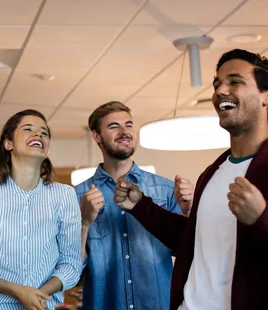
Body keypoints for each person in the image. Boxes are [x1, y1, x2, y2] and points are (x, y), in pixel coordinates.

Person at [114, 49, 268, 310]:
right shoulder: (212, 173)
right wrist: (141, 206)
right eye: (217, 84)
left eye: (235, 81)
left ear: (265, 96)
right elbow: (193, 240)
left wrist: (261, 219)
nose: (220, 90)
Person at [0, 109, 82, 310]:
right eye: (28, 129)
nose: (38, 135)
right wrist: (18, 291)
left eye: (44, 132)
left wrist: (38, 295)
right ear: (9, 144)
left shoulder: (64, 195)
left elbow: (71, 265)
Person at [75, 101, 193, 310]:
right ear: (96, 136)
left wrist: (188, 212)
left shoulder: (165, 190)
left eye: (129, 125)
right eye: (114, 126)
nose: (124, 132)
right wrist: (84, 222)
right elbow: (72, 270)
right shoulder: (77, 196)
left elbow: (187, 253)